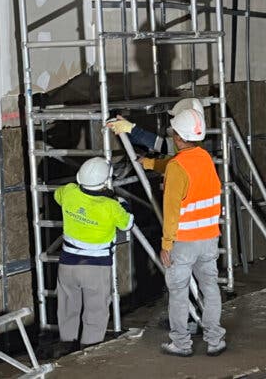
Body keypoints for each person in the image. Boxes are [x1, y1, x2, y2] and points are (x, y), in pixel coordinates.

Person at [141, 108, 227, 357]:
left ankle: (181, 343)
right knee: (210, 287)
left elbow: (171, 211)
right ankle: (215, 340)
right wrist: (148, 163)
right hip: (209, 237)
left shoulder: (178, 167)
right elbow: (175, 166)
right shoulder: (205, 158)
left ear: (178, 137)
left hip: (184, 241)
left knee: (178, 293)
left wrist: (166, 244)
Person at [52, 157, 133, 355]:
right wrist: (122, 202)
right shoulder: (111, 206)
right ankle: (89, 353)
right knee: (95, 312)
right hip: (96, 267)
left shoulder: (70, 192)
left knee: (67, 307)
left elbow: (57, 195)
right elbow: (127, 224)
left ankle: (67, 349)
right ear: (105, 182)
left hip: (67, 265)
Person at [106, 97, 205, 156]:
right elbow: (161, 145)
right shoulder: (198, 150)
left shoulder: (180, 160)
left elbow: (160, 145)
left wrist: (131, 128)